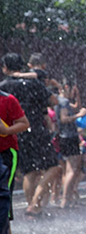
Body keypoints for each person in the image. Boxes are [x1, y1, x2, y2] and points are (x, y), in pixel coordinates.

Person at [0, 53, 61, 218]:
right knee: (53, 166)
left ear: (5, 68)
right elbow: (54, 101)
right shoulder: (33, 83)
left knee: (30, 171)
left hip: (16, 132)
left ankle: (32, 208)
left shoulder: (4, 86)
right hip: (36, 128)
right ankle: (35, 204)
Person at [0, 90, 30, 233]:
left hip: (6, 152)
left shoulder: (8, 99)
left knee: (4, 198)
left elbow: (24, 123)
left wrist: (6, 130)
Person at [56, 83, 86, 208]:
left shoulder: (60, 101)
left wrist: (77, 96)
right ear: (64, 89)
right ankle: (65, 199)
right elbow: (64, 118)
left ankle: (67, 197)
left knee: (69, 170)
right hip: (69, 137)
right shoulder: (63, 101)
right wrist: (79, 116)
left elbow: (76, 107)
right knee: (72, 170)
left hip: (63, 137)